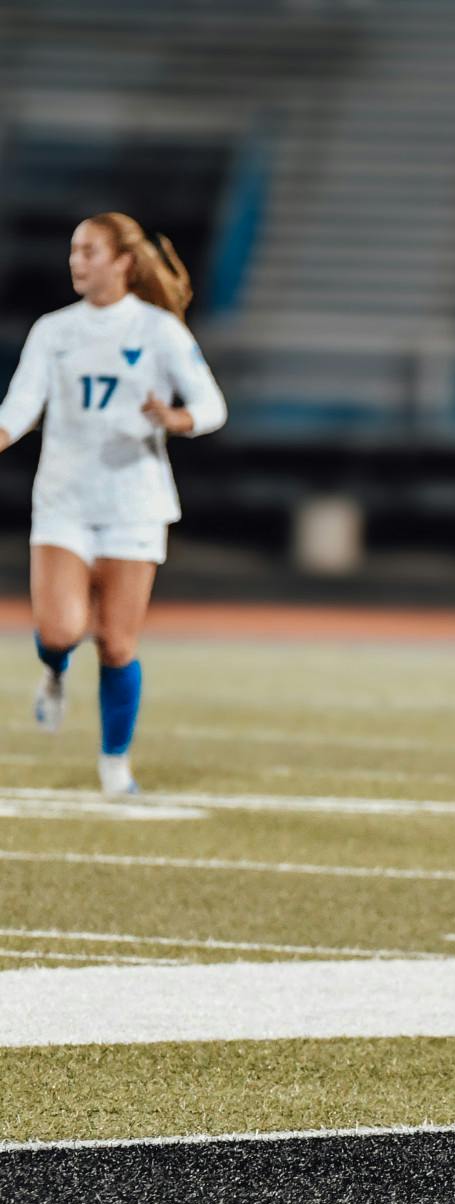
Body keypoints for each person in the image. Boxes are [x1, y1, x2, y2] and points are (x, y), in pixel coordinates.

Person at [0, 213, 227, 794]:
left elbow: (211, 405)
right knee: (59, 629)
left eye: (89, 251)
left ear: (123, 262)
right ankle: (53, 671)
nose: (76, 261)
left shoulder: (159, 331)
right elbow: (19, 408)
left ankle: (114, 763)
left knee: (118, 643)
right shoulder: (54, 330)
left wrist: (177, 418)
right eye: (74, 250)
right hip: (64, 501)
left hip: (135, 502)